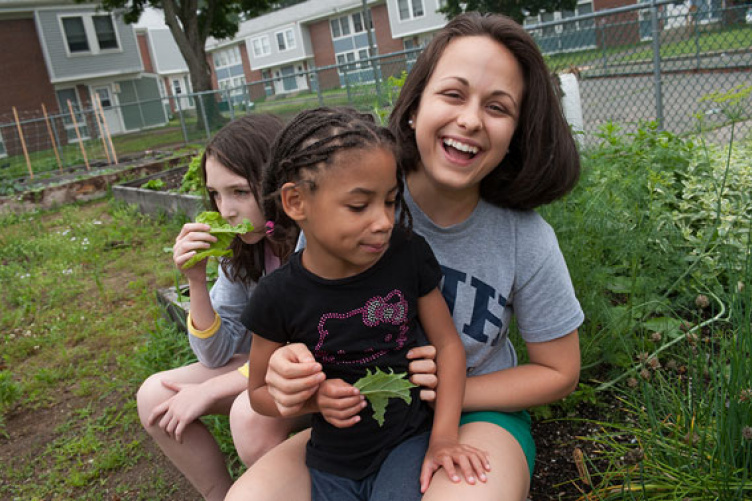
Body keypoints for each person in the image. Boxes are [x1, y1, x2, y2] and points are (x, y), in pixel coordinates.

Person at [226, 11, 583, 501]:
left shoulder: (525, 238)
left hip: (479, 416)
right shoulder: (339, 207)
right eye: (453, 94)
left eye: (498, 107)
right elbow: (303, 314)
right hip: (363, 421)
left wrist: (441, 393)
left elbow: (560, 371)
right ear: (415, 106)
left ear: (517, 132)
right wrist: (293, 369)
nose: (471, 119)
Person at [241, 107, 490, 501]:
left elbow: (448, 346)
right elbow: (258, 393)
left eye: (390, 201)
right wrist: (314, 400)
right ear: (295, 201)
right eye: (359, 206)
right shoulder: (277, 296)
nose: (384, 221)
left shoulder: (407, 255)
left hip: (410, 440)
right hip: (332, 461)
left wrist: (444, 438)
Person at [136, 114, 307, 501]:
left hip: (317, 370)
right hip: (265, 370)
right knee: (154, 395)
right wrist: (196, 280)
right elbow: (215, 353)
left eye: (240, 192)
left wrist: (213, 390)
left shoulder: (311, 242)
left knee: (248, 415)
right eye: (216, 194)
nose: (225, 209)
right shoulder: (246, 249)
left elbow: (305, 347)